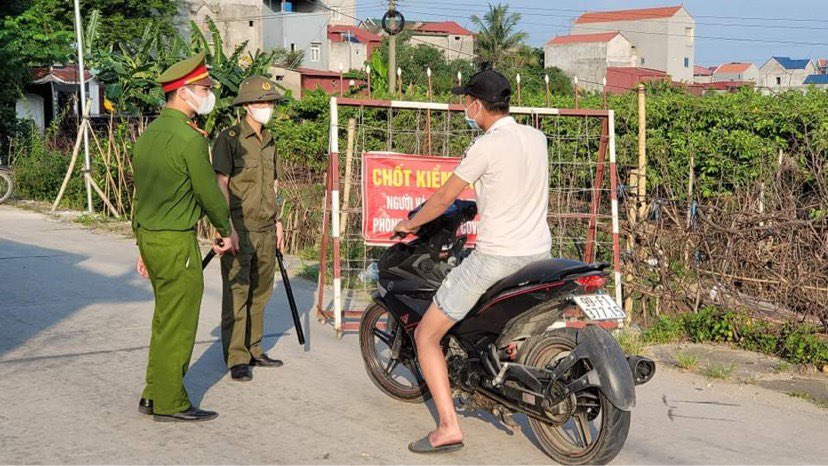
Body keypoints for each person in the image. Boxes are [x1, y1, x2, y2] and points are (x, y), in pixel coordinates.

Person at [393, 68, 553, 453]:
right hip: (539, 254)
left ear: (477, 105)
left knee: (426, 335)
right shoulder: (537, 137)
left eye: (466, 101)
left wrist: (408, 223)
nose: (464, 107)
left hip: (497, 257)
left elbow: (444, 199)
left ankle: (448, 427)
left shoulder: (485, 145)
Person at [133, 51, 233, 422]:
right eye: (205, 88)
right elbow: (209, 194)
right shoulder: (190, 140)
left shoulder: (148, 136)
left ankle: (152, 393)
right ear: (184, 92)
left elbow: (139, 196)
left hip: (150, 238)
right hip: (176, 242)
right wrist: (226, 231)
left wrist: (140, 244)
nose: (209, 94)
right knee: (179, 322)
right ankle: (171, 402)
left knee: (164, 318)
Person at [211, 76, 286, 382]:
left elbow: (274, 184)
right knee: (237, 292)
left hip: (267, 228)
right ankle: (236, 356)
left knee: (261, 292)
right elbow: (220, 184)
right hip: (239, 227)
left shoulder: (270, 140)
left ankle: (254, 349)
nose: (266, 107)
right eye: (260, 102)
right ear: (246, 106)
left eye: (269, 102)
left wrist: (279, 221)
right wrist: (227, 228)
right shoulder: (228, 138)